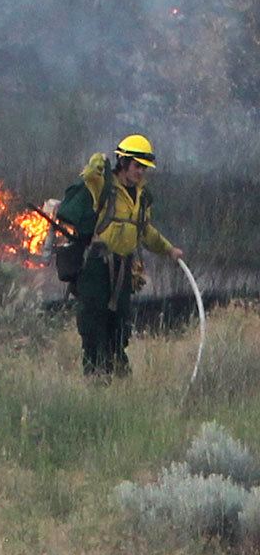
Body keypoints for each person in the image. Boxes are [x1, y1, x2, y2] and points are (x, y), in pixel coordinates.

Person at [60, 135, 184, 380]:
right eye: (137, 166)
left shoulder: (142, 196)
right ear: (123, 162)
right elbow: (90, 179)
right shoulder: (104, 186)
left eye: (144, 168)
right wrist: (96, 166)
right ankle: (95, 383)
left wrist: (169, 250)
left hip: (123, 270)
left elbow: (145, 231)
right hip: (95, 267)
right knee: (94, 329)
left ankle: (119, 383)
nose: (141, 172)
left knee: (119, 331)